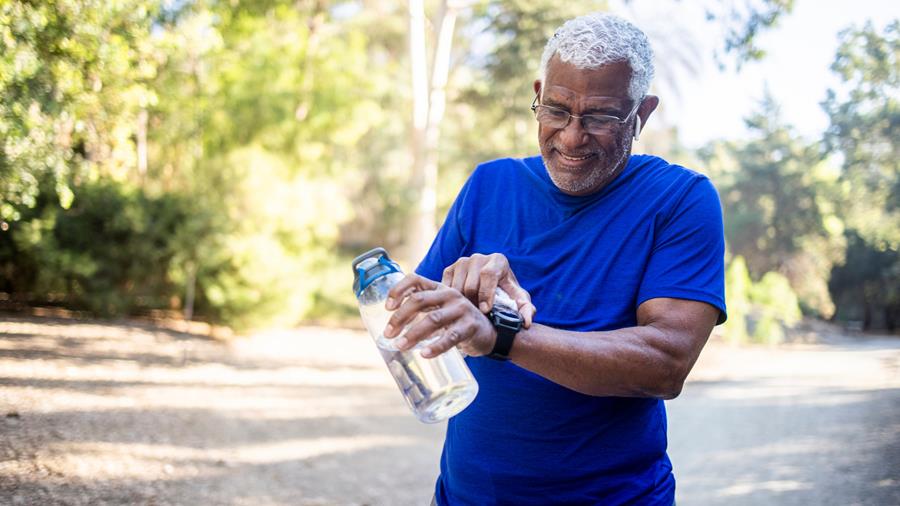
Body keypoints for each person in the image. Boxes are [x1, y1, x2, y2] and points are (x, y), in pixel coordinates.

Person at [382, 12, 726, 505]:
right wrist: (464, 296)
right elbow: (409, 332)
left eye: (602, 117)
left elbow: (665, 362)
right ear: (539, 92)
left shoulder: (680, 199)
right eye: (557, 110)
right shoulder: (488, 185)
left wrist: (502, 335)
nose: (571, 137)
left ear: (642, 114)